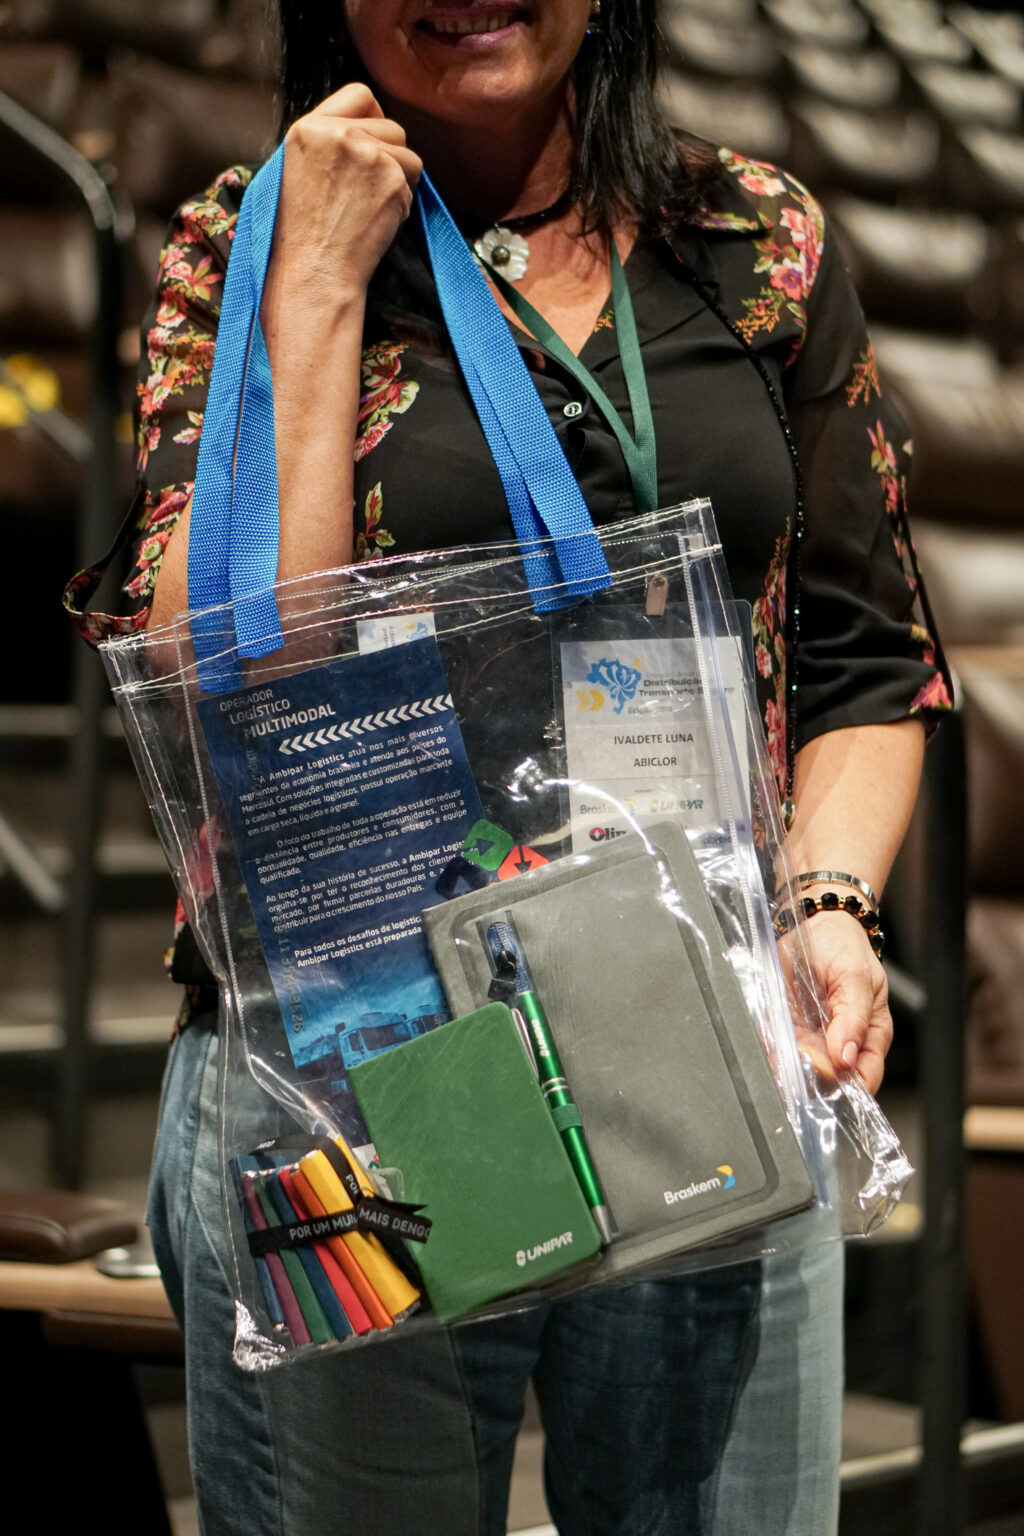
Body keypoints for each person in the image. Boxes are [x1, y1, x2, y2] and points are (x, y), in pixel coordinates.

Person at [66, 1, 952, 1531]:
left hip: (699, 1028)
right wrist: (319, 285)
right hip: (357, 1064)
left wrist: (827, 901)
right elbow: (222, 681)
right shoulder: (250, 241)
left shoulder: (755, 238)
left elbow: (868, 656)